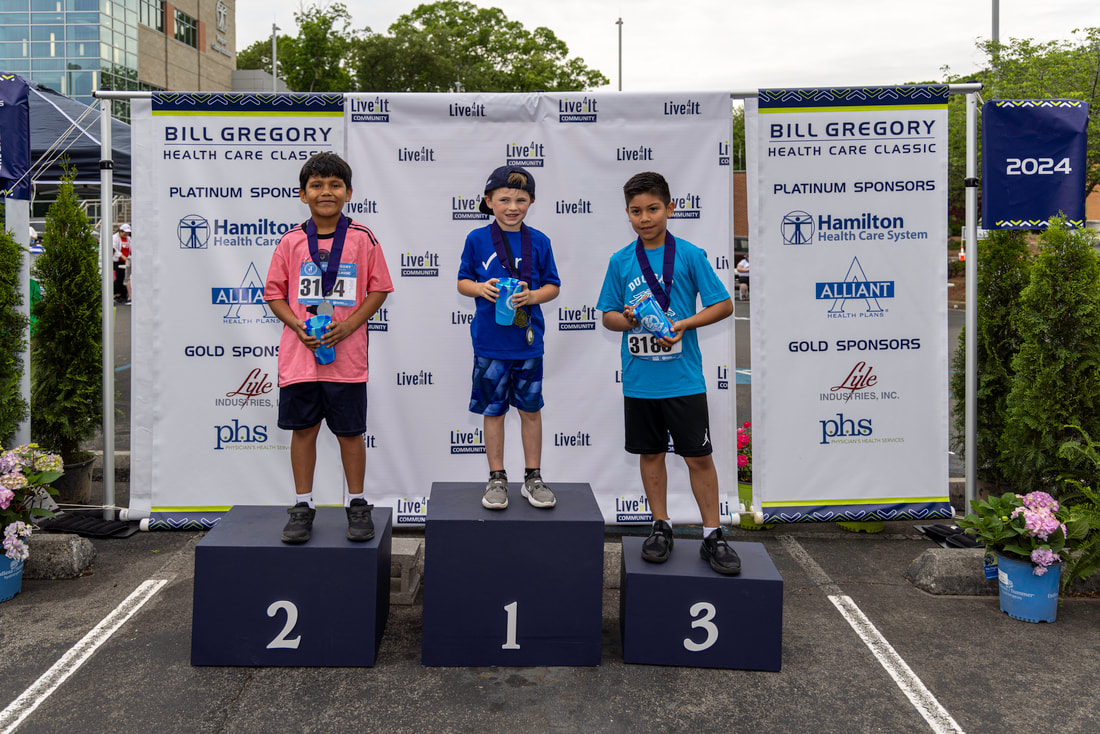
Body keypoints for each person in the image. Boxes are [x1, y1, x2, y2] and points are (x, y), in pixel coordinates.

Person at [597, 171, 740, 575]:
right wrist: (628, 320)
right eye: (636, 211)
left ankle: (713, 533)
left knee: (699, 457)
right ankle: (661, 525)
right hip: (641, 382)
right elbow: (607, 316)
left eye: (653, 209)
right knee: (651, 454)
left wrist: (684, 324)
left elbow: (724, 305)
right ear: (627, 213)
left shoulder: (690, 255)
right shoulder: (620, 261)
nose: (645, 218)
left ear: (670, 208)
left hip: (683, 379)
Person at [264, 152, 394, 544]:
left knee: (350, 434)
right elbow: (274, 294)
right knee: (303, 431)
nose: (326, 192)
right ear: (302, 194)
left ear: (348, 193)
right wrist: (298, 325)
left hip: (347, 362)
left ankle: (356, 503)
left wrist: (350, 325)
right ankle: (302, 505)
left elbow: (379, 289)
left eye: (335, 185)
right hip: (300, 360)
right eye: (317, 185)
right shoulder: (290, 241)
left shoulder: (362, 238)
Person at [457, 165, 561, 510]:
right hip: (490, 344)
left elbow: (553, 286)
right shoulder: (476, 239)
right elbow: (462, 281)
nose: (512, 207)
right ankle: (497, 477)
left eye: (520, 200)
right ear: (489, 201)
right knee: (494, 411)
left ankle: (533, 477)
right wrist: (479, 288)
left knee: (531, 410)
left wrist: (532, 296)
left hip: (527, 344)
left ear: (531, 202)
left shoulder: (540, 241)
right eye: (504, 200)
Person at [112, 223, 131, 302]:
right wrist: (121, 256)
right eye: (125, 233)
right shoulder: (115, 238)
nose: (126, 234)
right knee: (117, 278)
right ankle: (116, 294)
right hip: (117, 261)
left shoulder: (128, 239)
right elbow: (114, 249)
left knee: (124, 277)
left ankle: (123, 294)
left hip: (126, 261)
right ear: (121, 231)